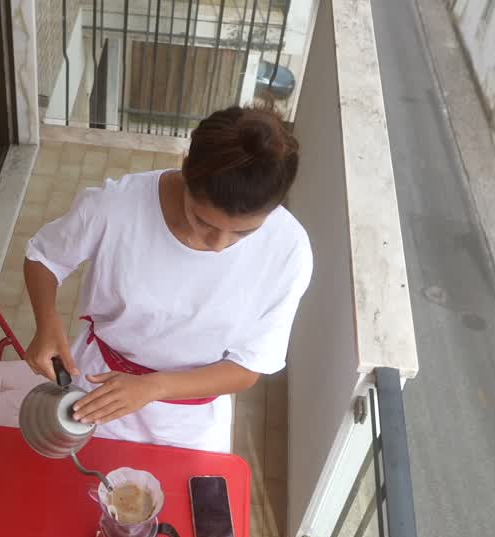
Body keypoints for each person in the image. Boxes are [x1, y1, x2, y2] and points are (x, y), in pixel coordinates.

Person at [22, 105, 312, 452]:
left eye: (243, 233)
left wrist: (154, 387)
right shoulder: (117, 207)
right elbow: (43, 257)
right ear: (187, 170)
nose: (219, 245)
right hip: (99, 385)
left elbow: (248, 367)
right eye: (204, 222)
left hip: (192, 414)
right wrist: (47, 321)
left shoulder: (287, 251)